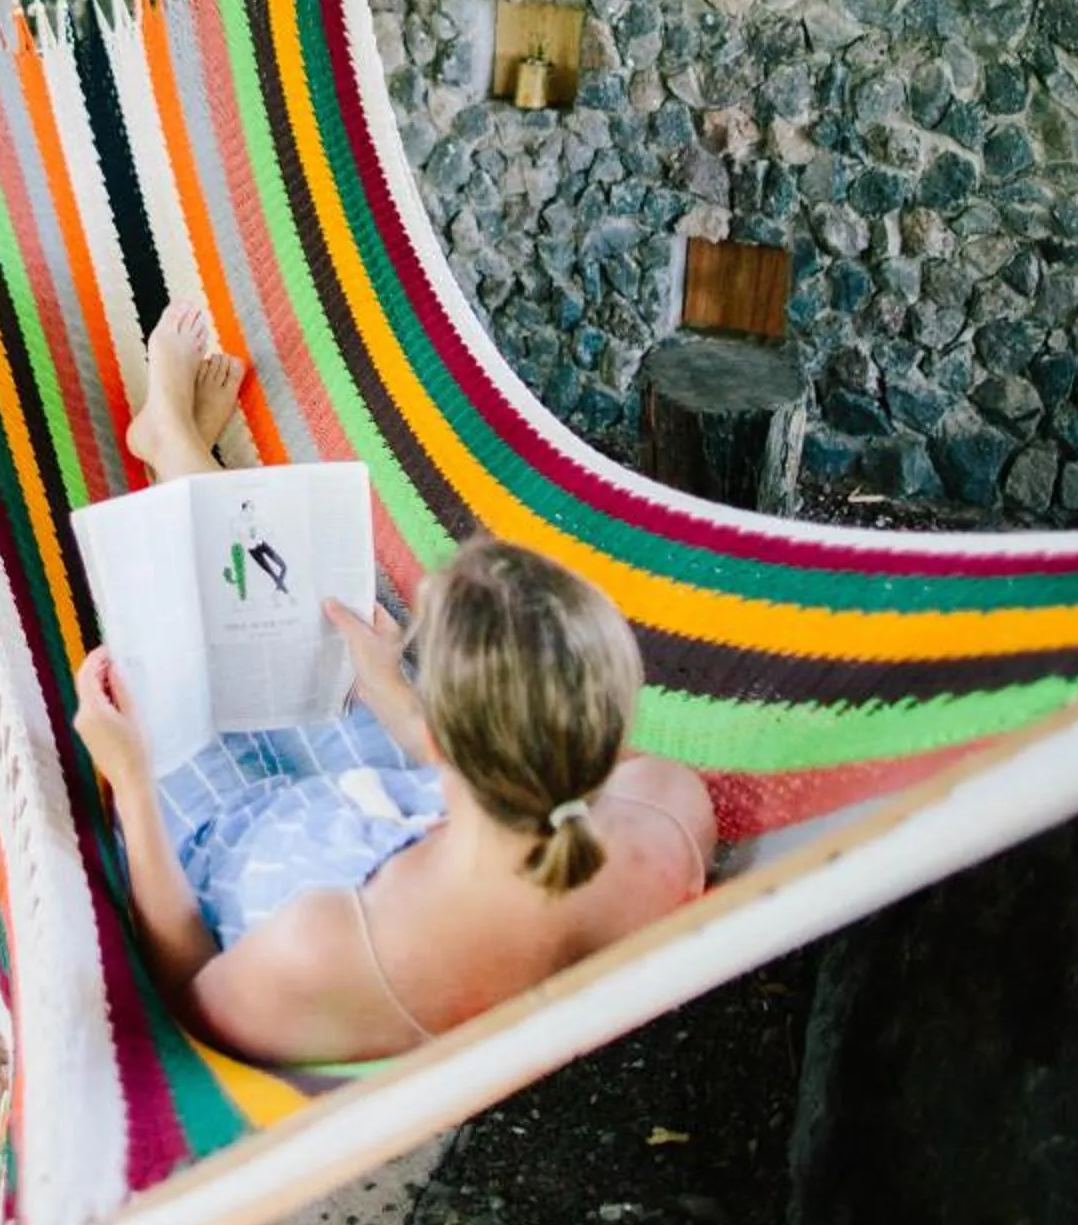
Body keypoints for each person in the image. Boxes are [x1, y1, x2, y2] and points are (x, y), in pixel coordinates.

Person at [74, 302, 716, 1065]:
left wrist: (136, 788)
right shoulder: (665, 822)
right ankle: (178, 451)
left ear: (448, 739)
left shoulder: (321, 953)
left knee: (184, 644)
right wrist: (400, 700)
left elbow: (189, 989)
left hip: (235, 843)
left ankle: (175, 457)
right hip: (383, 796)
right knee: (309, 640)